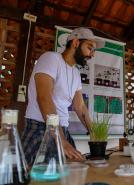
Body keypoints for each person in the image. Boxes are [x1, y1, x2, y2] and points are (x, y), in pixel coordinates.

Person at [21, 27, 105, 166]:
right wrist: (60, 140)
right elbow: (44, 98)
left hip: (63, 131)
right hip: (42, 129)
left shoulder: (75, 73)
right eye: (90, 48)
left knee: (70, 177)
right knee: (39, 179)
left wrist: (95, 133)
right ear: (76, 43)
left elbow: (80, 106)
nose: (92, 54)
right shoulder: (51, 58)